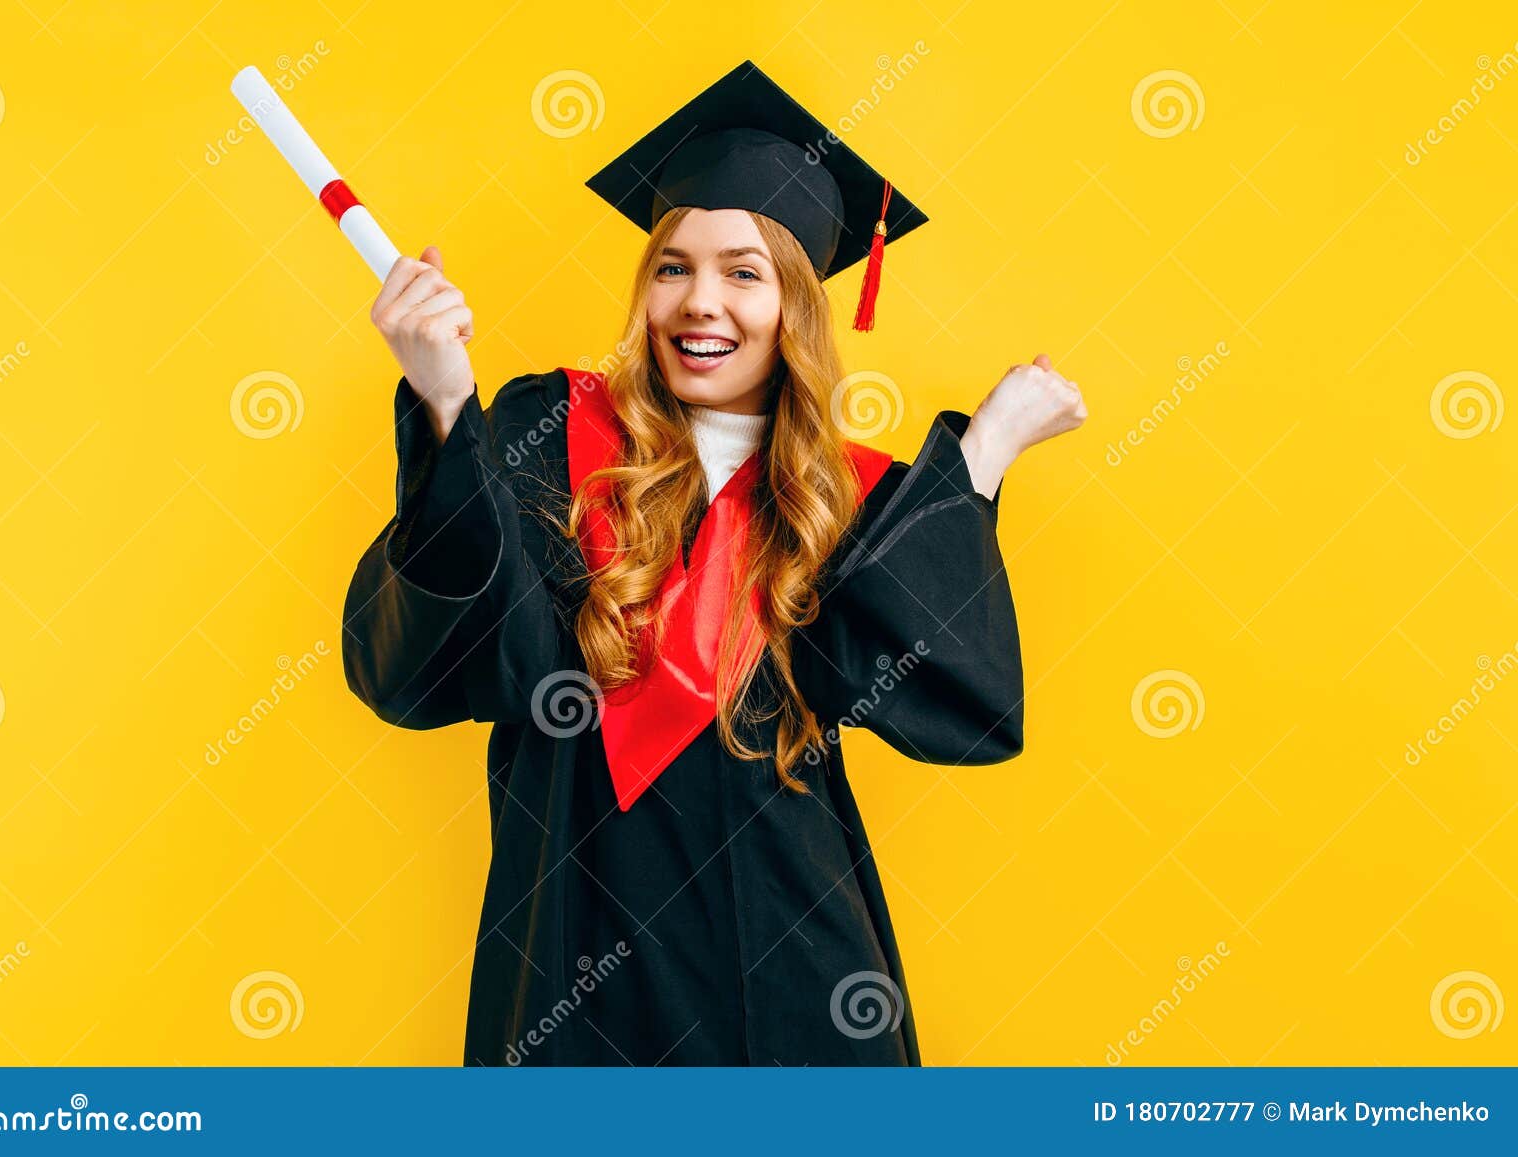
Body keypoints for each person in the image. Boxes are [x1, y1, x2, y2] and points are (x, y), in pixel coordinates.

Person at [341, 61, 1086, 1066]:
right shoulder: (552, 429)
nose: (701, 302)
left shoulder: (851, 495)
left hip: (792, 953)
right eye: (672, 266)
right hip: (571, 940)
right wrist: (442, 404)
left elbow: (954, 709)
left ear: (796, 304)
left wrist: (981, 457)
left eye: (744, 271)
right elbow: (439, 662)